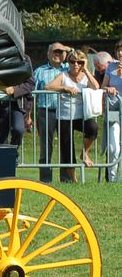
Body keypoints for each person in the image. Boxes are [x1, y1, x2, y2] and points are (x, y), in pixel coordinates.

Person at [46, 49, 100, 182]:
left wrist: (86, 69)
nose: (76, 65)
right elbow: (48, 86)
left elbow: (96, 87)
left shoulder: (86, 76)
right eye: (72, 61)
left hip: (82, 115)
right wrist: (65, 88)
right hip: (65, 116)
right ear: (68, 62)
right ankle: (74, 180)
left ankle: (85, 153)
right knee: (67, 148)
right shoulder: (63, 75)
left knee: (93, 128)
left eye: (80, 62)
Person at [32, 42, 70, 182]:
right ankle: (45, 179)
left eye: (60, 52)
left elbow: (81, 58)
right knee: (45, 146)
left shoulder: (69, 68)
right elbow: (32, 94)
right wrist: (28, 115)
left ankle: (66, 178)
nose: (57, 54)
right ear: (48, 54)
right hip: (45, 111)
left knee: (65, 144)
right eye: (54, 51)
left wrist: (68, 49)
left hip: (65, 112)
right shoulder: (39, 71)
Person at [0, 58, 34, 150]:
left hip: (17, 105)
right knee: (0, 141)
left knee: (18, 130)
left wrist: (14, 90)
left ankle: (13, 153)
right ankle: (3, 162)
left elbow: (30, 84)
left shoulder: (24, 58)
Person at [101, 40, 122, 181]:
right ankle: (112, 178)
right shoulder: (110, 67)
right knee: (114, 146)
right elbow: (102, 87)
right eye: (118, 50)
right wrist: (107, 88)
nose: (120, 53)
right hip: (114, 110)